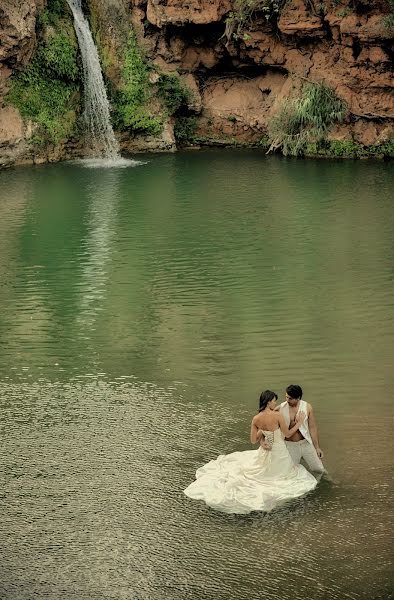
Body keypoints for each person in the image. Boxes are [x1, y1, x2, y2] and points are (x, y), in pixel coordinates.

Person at [183, 390, 318, 514]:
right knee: (288, 476)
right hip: (278, 451)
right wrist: (299, 422)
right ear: (269, 401)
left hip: (265, 449)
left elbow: (254, 440)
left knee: (259, 470)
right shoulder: (277, 416)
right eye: (274, 401)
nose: (276, 403)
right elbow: (287, 433)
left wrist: (263, 439)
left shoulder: (256, 419)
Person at [278, 384, 325, 475]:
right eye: (286, 397)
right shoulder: (281, 408)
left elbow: (312, 428)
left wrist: (317, 447)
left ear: (298, 398)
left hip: (305, 443)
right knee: (291, 473)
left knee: (319, 469)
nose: (287, 400)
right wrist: (263, 439)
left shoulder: (307, 407)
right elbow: (266, 421)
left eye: (290, 398)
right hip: (290, 445)